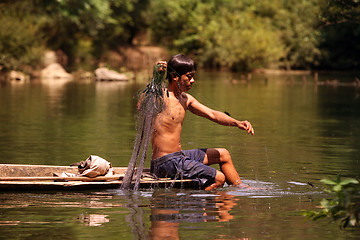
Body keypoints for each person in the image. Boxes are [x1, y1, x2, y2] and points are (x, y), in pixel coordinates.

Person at [149, 54, 254, 191]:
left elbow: (213, 114)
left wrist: (237, 123)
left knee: (224, 154)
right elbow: (142, 104)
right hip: (165, 163)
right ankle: (196, 205)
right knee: (219, 178)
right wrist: (156, 79)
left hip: (179, 157)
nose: (192, 81)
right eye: (189, 76)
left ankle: (240, 189)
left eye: (193, 76)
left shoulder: (185, 99)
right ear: (175, 77)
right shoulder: (160, 96)